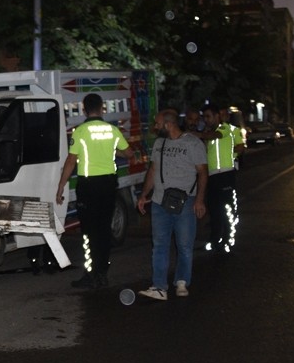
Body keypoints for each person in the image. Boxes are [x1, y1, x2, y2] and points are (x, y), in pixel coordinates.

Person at [56, 93, 130, 289]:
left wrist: (61, 185)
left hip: (88, 187)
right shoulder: (112, 130)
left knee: (89, 232)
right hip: (108, 185)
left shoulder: (80, 131)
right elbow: (128, 152)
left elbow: (71, 161)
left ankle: (90, 274)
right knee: (104, 230)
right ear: (102, 108)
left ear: (83, 108)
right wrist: (112, 150)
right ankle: (102, 274)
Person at [136, 109, 207, 300]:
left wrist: (199, 200)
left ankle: (182, 281)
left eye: (157, 124)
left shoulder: (193, 143)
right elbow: (152, 171)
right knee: (159, 244)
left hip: (186, 201)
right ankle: (159, 287)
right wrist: (144, 195)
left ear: (168, 125)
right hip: (159, 202)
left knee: (184, 245)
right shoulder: (159, 143)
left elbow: (203, 172)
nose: (155, 127)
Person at [201, 103, 245, 252]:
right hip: (213, 175)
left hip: (226, 174)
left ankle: (228, 238)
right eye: (204, 117)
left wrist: (232, 156)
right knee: (214, 209)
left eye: (209, 116)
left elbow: (240, 147)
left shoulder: (229, 129)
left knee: (227, 208)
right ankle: (215, 239)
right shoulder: (208, 132)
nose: (206, 119)